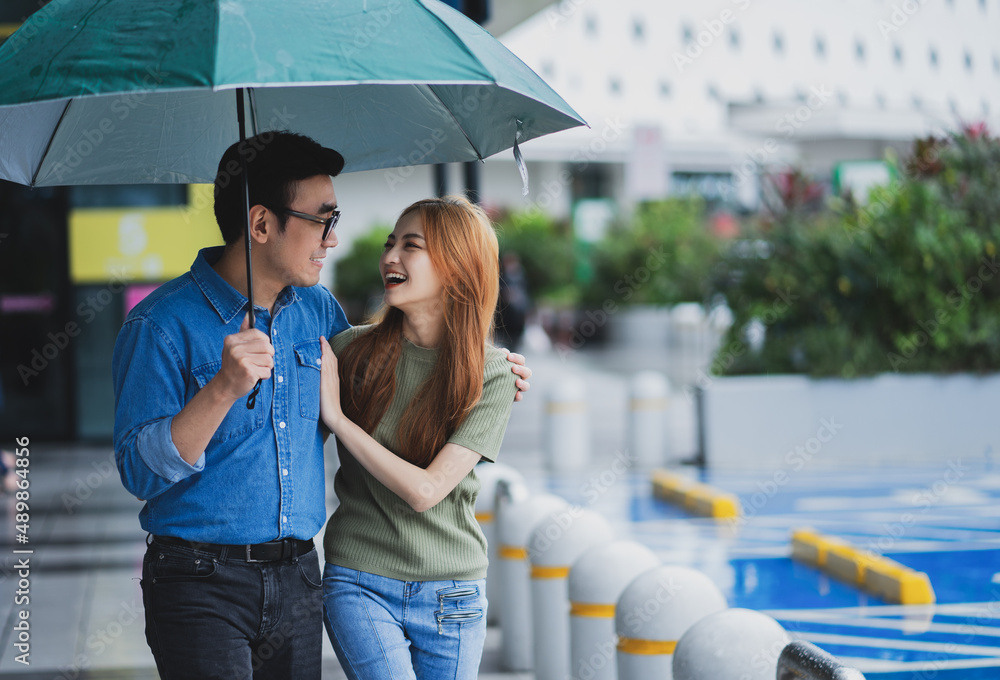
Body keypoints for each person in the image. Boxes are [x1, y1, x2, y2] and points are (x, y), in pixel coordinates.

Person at [111, 132, 533, 679]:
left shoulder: (317, 312)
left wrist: (486, 363)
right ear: (261, 224)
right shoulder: (160, 325)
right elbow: (139, 472)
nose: (333, 239)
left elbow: (393, 359)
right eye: (322, 219)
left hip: (299, 578)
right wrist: (222, 389)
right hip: (197, 580)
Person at [318, 196, 517, 679]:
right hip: (359, 582)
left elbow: (426, 491)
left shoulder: (493, 374)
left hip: (453, 591)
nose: (390, 257)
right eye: (390, 243)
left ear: (457, 266)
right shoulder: (347, 353)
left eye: (411, 246)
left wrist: (340, 420)